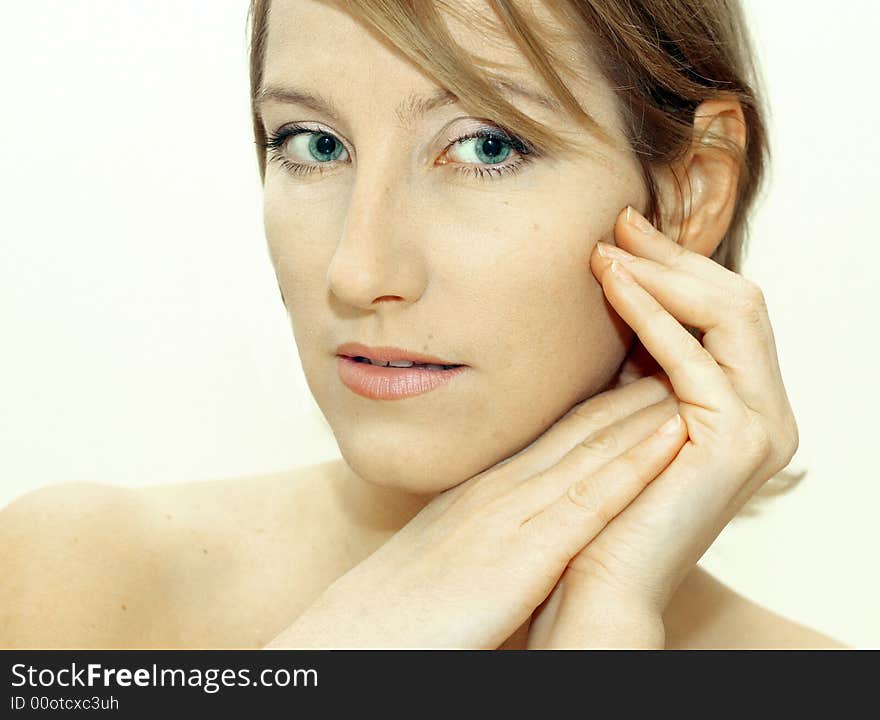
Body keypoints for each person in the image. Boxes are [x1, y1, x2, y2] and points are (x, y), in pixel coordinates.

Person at [0, 0, 847, 649]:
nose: (358, 272)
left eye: (484, 147)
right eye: (314, 143)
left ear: (691, 191)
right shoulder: (71, 590)